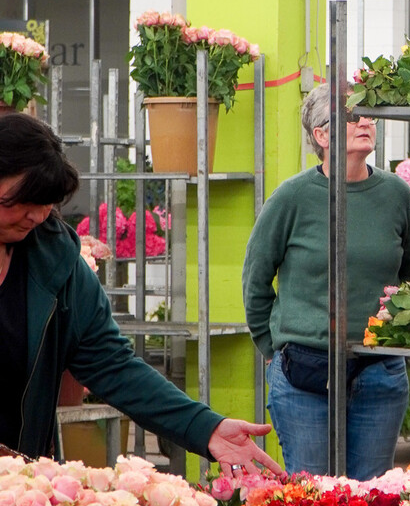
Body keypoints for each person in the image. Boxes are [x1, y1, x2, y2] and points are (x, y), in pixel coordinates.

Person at [0, 112, 282, 475]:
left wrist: (204, 427)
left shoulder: (55, 260)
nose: (37, 217)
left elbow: (112, 364)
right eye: (19, 202)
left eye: (45, 203)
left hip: (21, 481)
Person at [242, 83, 410, 481]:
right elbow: (255, 278)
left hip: (380, 370)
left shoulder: (395, 194)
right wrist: (271, 347)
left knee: (373, 499)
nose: (365, 122)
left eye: (369, 114)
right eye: (352, 116)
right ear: (321, 135)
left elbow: (405, 276)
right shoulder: (292, 197)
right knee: (314, 496)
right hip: (303, 370)